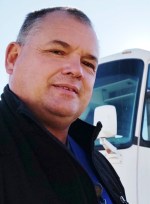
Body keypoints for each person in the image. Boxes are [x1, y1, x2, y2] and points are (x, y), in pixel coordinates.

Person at [0, 7, 127, 204]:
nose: (77, 71)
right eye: (57, 51)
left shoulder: (100, 163)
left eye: (88, 64)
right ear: (13, 58)